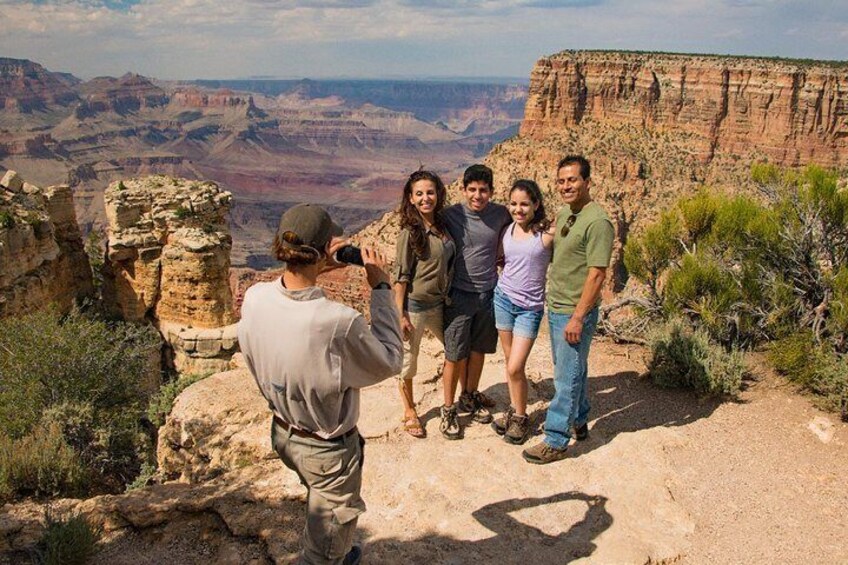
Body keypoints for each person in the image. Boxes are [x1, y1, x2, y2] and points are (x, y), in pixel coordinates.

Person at [238, 203, 402, 564]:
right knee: (321, 555)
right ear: (323, 252)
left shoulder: (254, 297)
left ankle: (331, 543)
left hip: (283, 434)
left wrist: (319, 266)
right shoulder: (336, 321)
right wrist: (381, 286)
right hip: (327, 451)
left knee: (318, 501)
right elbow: (391, 359)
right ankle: (331, 553)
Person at [522, 155, 614, 465]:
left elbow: (597, 274)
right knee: (576, 368)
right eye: (561, 181)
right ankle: (580, 420)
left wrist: (578, 316)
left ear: (588, 181)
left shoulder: (598, 221)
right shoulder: (565, 215)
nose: (566, 186)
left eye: (572, 180)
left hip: (575, 311)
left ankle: (556, 439)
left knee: (565, 376)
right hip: (557, 305)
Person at [440, 164, 512, 439]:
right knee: (454, 354)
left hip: (488, 293)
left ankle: (468, 396)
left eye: (483, 190)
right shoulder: (451, 215)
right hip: (458, 294)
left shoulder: (501, 214)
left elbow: (524, 222)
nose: (478, 195)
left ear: (491, 191)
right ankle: (448, 409)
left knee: (478, 350)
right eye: (472, 190)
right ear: (464, 190)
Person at [491, 180, 553, 445]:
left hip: (530, 309)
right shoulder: (507, 230)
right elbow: (502, 260)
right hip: (503, 299)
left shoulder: (546, 234)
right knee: (509, 363)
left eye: (525, 204)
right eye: (514, 204)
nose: (518, 209)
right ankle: (515, 411)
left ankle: (521, 417)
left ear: (536, 205)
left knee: (516, 366)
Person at [393, 170, 454, 438]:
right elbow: (401, 277)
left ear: (438, 194)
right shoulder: (410, 232)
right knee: (409, 360)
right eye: (419, 194)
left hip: (441, 303)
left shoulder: (443, 225)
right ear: (411, 198)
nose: (426, 198)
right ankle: (409, 410)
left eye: (430, 192)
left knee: (455, 349)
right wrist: (400, 314)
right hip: (415, 306)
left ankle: (457, 398)